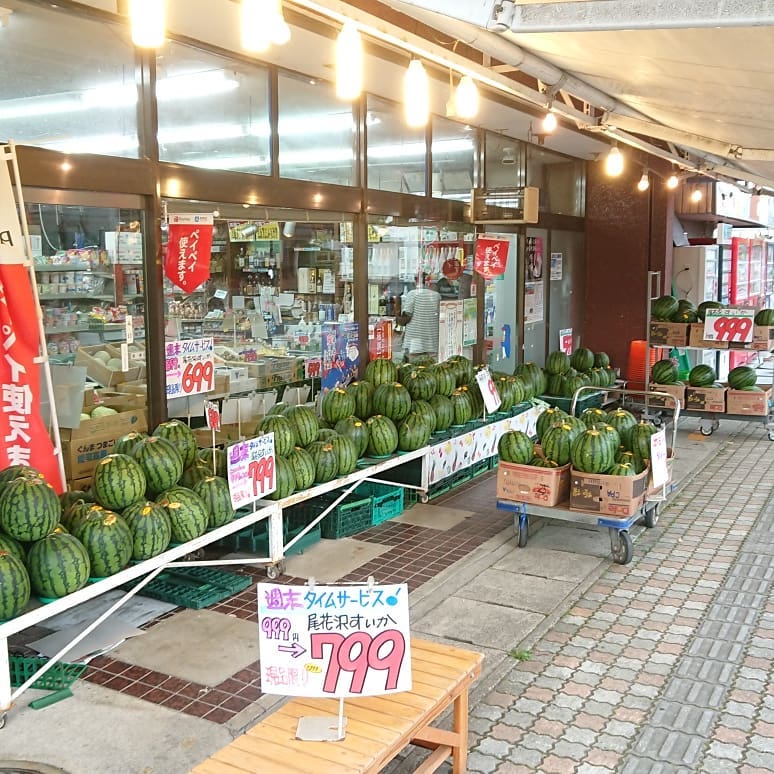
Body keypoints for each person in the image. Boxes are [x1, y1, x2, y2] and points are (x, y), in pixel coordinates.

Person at [401, 275, 441, 362]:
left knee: (414, 369)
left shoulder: (412, 294)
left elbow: (406, 317)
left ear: (416, 281)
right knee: (432, 369)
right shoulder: (437, 296)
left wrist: (398, 313)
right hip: (432, 341)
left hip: (415, 341)